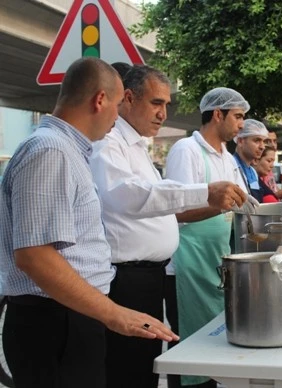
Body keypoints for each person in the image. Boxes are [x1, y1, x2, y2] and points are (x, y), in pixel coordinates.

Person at [0, 57, 178, 388]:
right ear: (99, 100)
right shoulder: (51, 151)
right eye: (117, 103)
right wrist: (115, 313)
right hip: (54, 320)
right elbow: (35, 255)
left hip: (70, 315)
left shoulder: (68, 150)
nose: (117, 116)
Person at [89, 67, 249, 388]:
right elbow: (129, 196)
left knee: (143, 366)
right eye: (156, 103)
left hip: (149, 274)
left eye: (167, 106)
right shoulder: (110, 142)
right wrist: (205, 193)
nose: (163, 114)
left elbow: (157, 201)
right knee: (128, 368)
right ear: (127, 99)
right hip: (126, 276)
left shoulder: (138, 146)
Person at [165, 86, 255, 387]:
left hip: (212, 258)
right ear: (218, 115)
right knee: (190, 348)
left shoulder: (226, 157)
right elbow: (174, 211)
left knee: (211, 346)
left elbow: (243, 200)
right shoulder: (186, 151)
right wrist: (218, 206)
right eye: (238, 117)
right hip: (187, 263)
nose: (241, 125)